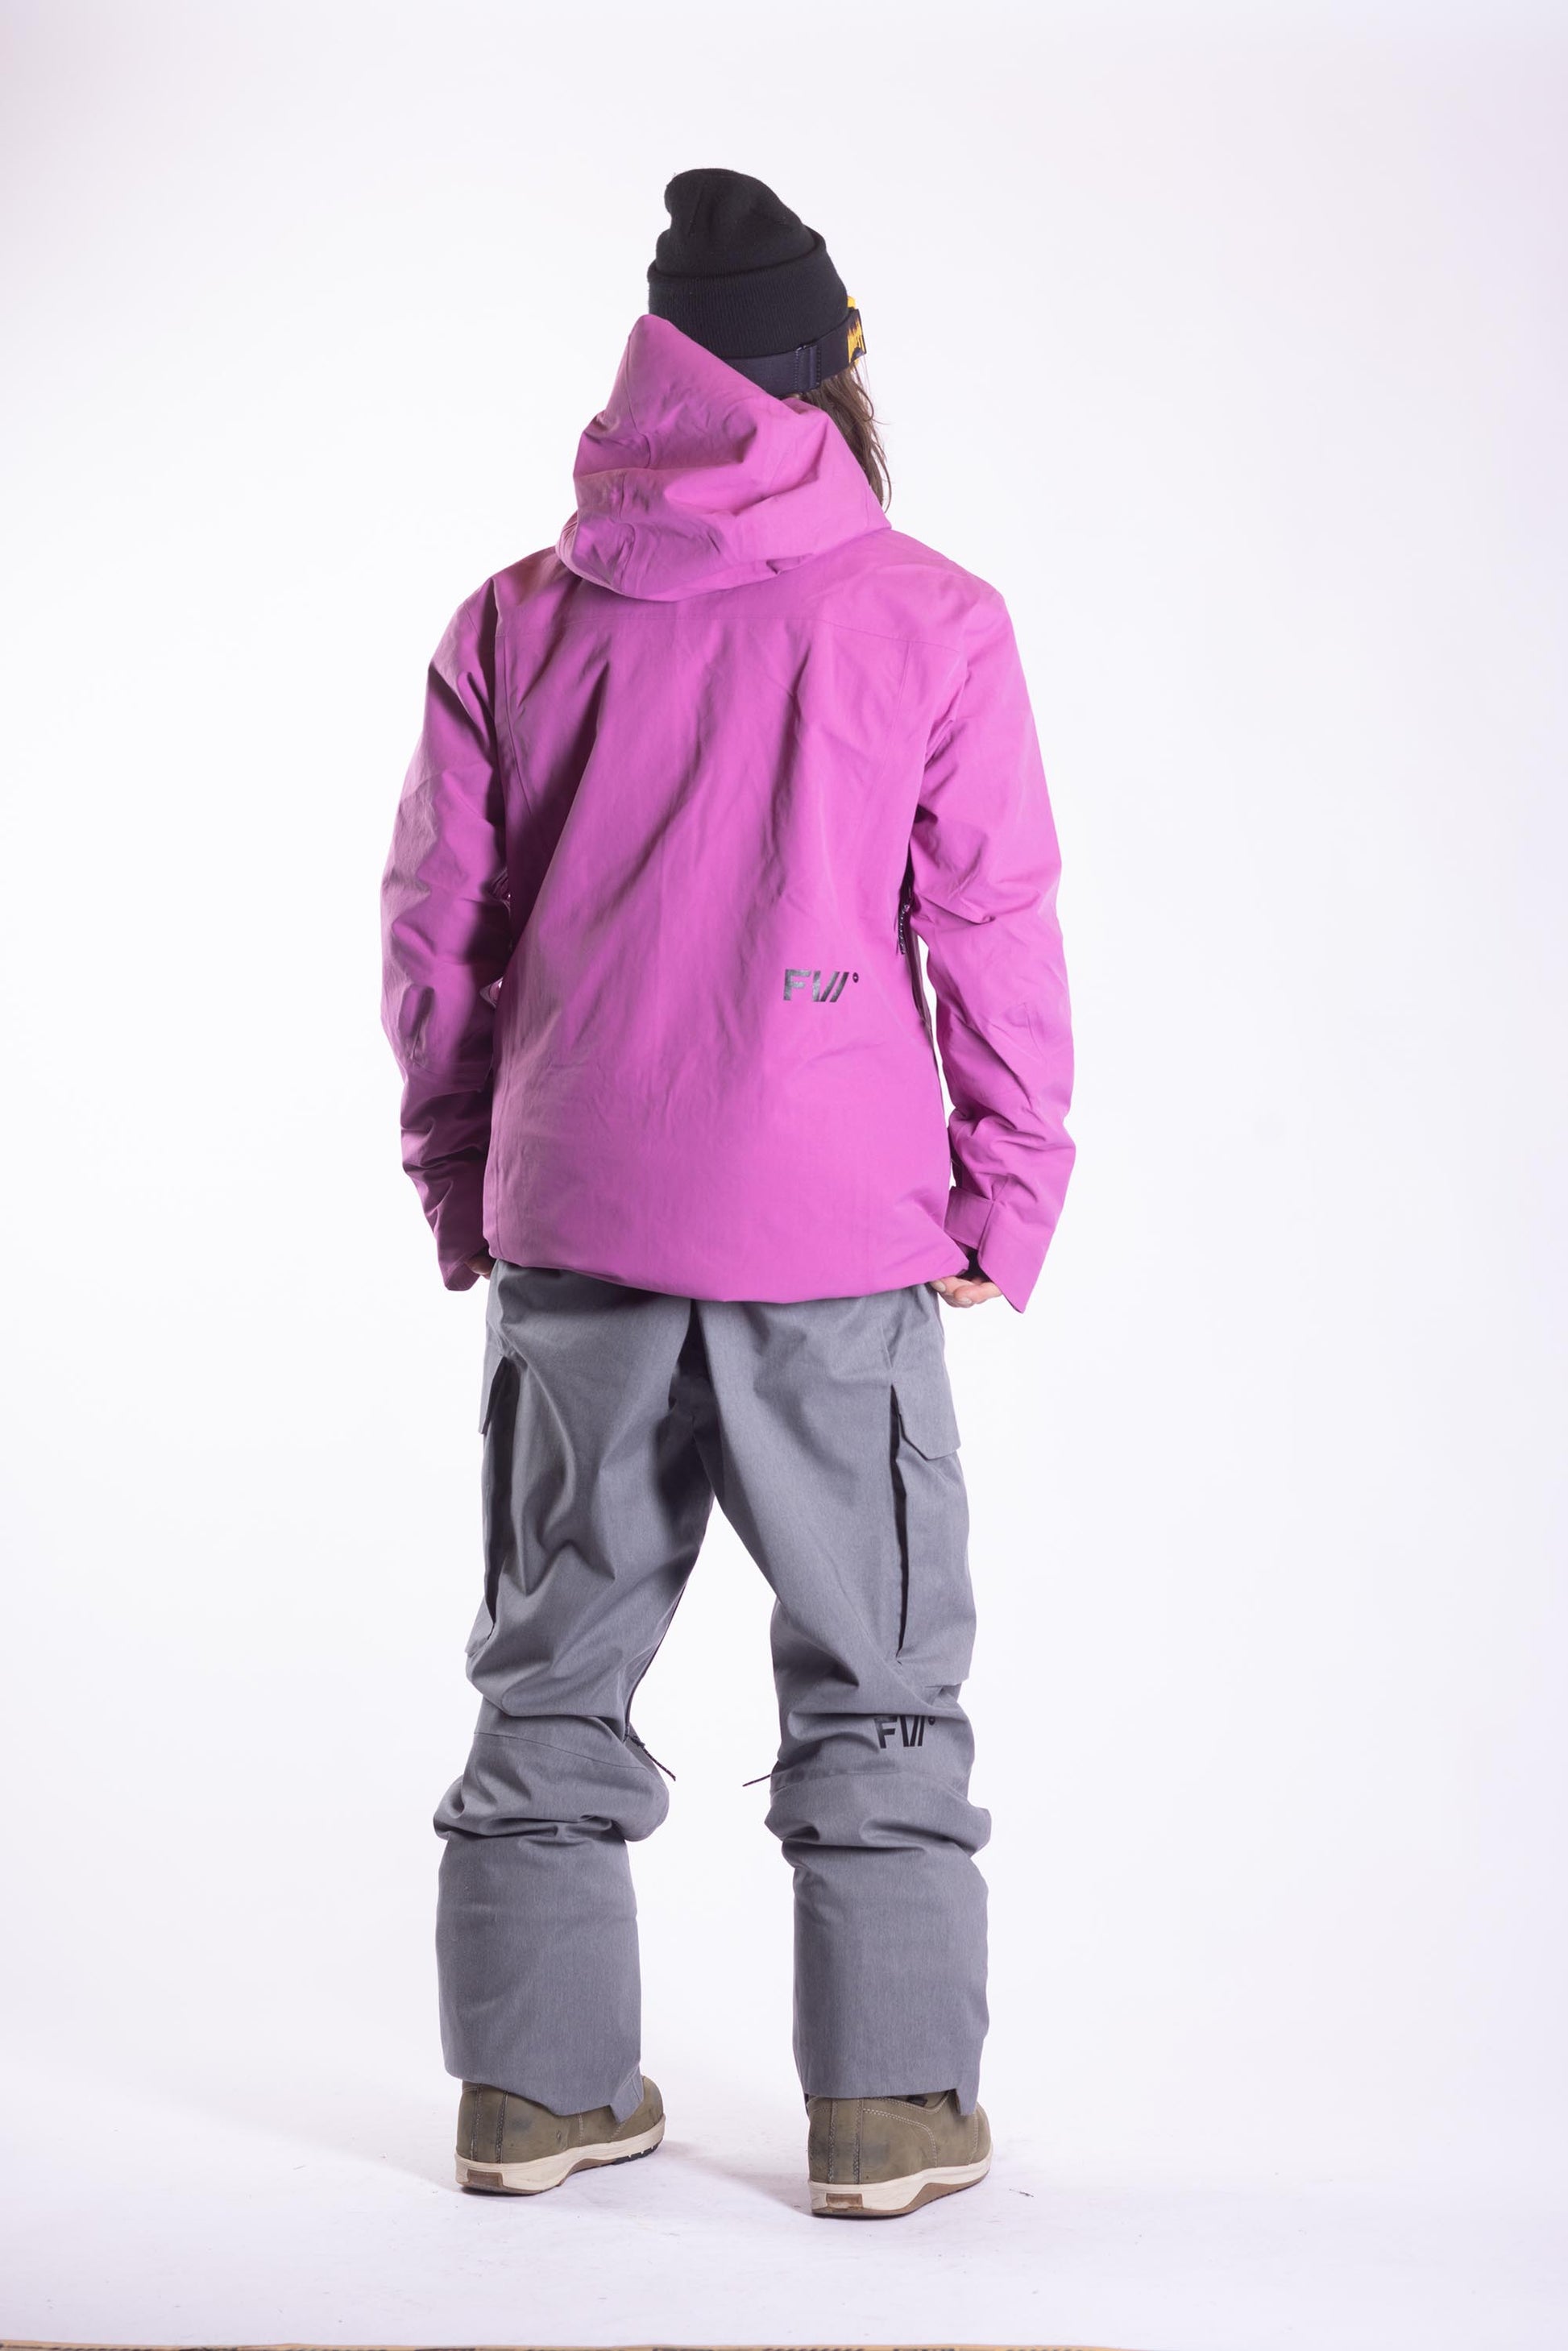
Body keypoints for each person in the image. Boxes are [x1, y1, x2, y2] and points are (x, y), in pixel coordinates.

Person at [380, 167, 1075, 2219]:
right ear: (830, 380)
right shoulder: (930, 616)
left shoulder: (516, 616)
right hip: (833, 1235)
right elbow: (992, 922)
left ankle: (531, 2095)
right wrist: (1007, 1184)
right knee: (878, 1665)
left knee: (550, 1658)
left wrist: (461, 1175)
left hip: (579, 1214)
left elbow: (437, 935)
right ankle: (888, 2109)